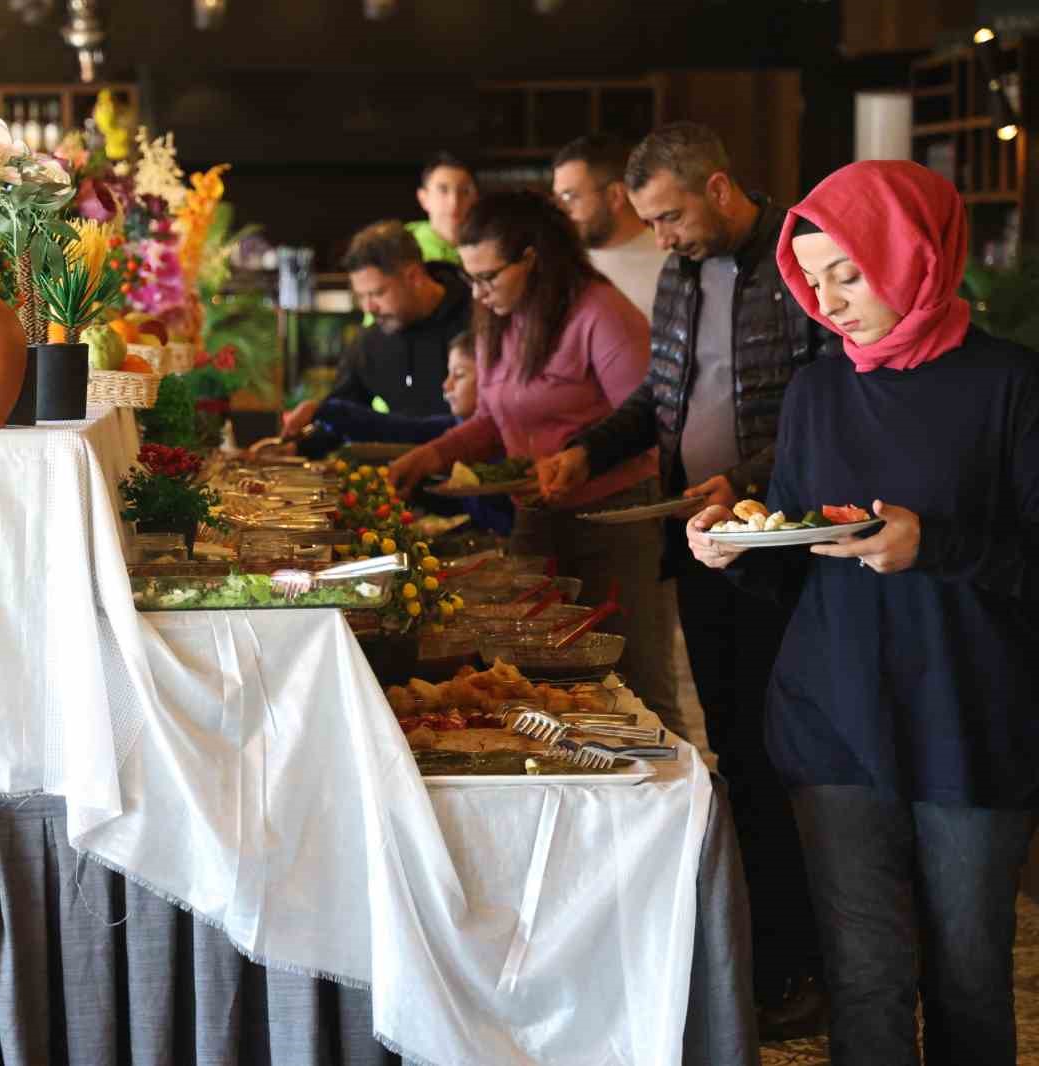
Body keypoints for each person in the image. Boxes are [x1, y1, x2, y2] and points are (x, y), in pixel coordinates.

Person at [687, 160, 1039, 1066]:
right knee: (863, 978)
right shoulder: (818, 391)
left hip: (972, 721)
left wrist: (939, 546)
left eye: (849, 272)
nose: (828, 301)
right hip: (834, 716)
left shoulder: (1013, 386)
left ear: (913, 251)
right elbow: (797, 563)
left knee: (968, 979)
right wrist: (733, 549)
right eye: (813, 276)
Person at [535, 122, 832, 1035]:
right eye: (651, 222)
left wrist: (743, 485)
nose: (659, 237)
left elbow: (832, 410)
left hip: (782, 553)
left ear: (719, 185)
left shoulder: (798, 261)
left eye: (669, 217)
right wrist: (590, 449)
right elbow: (661, 400)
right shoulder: (676, 273)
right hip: (701, 548)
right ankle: (765, 958)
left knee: (786, 764)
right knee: (734, 757)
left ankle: (808, 966)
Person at [388, 191, 677, 724]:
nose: (476, 292)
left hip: (612, 520)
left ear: (531, 260)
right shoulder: (500, 317)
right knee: (525, 681)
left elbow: (653, 421)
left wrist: (579, 463)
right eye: (468, 278)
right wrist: (430, 455)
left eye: (487, 278)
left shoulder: (601, 312)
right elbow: (497, 421)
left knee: (635, 685)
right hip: (537, 517)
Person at [299, 331, 513, 535]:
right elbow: (394, 429)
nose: (446, 385)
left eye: (459, 375)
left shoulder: (510, 442)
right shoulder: (455, 427)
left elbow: (396, 430)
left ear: (492, 381)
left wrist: (324, 411)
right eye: (449, 374)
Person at [280, 220, 470, 438]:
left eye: (378, 293)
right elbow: (342, 415)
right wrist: (297, 446)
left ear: (414, 277)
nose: (369, 307)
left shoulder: (476, 321)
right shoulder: (370, 342)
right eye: (361, 296)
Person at [551, 133, 669, 320]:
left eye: (569, 197)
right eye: (558, 199)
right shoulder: (557, 266)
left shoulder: (670, 265)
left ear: (615, 196)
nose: (562, 210)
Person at [409, 152, 479, 266]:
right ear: (423, 198)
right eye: (443, 190)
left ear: (476, 198)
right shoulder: (403, 249)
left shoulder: (490, 249)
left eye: (465, 191)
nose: (454, 202)